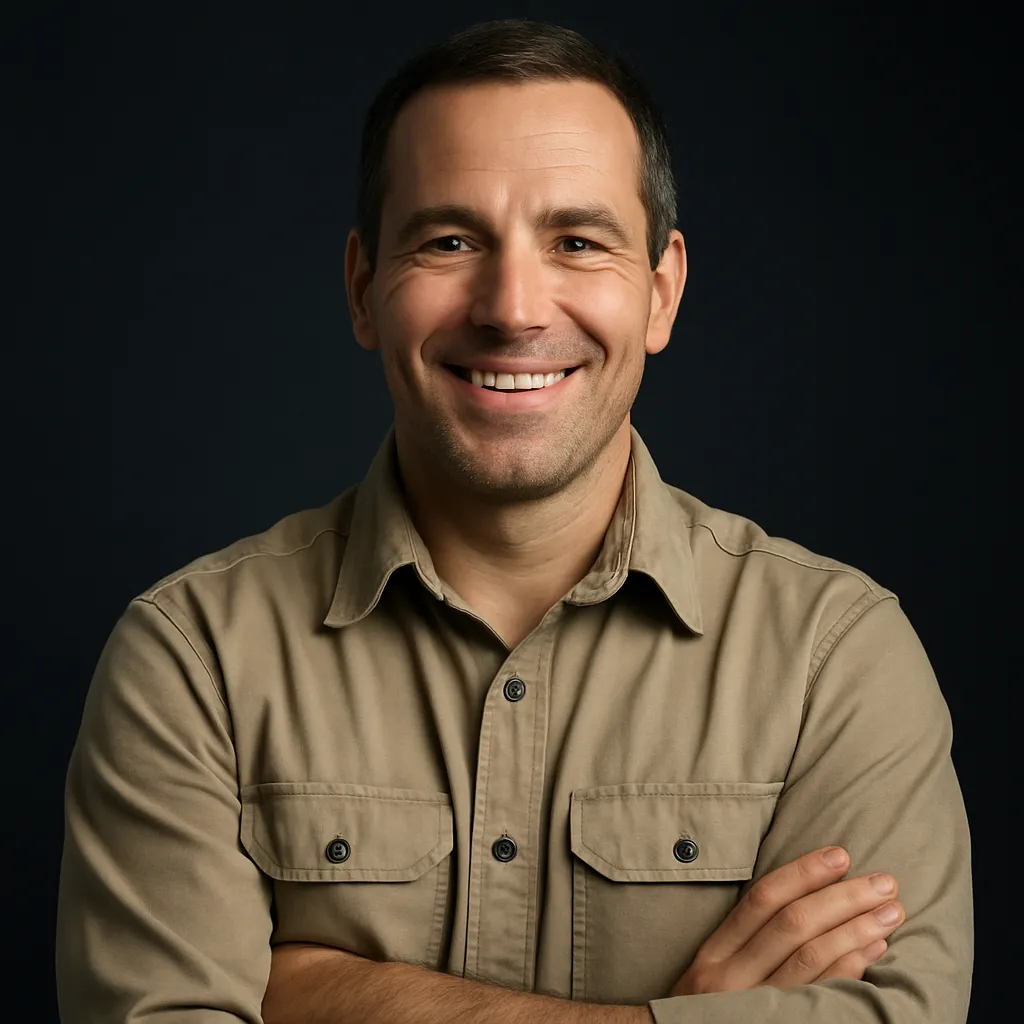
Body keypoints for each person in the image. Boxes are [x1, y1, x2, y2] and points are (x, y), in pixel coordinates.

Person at [55, 18, 973, 1024]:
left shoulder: (832, 658)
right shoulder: (194, 657)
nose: (513, 308)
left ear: (660, 293)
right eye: (450, 241)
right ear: (363, 289)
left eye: (576, 242)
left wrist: (338, 996)